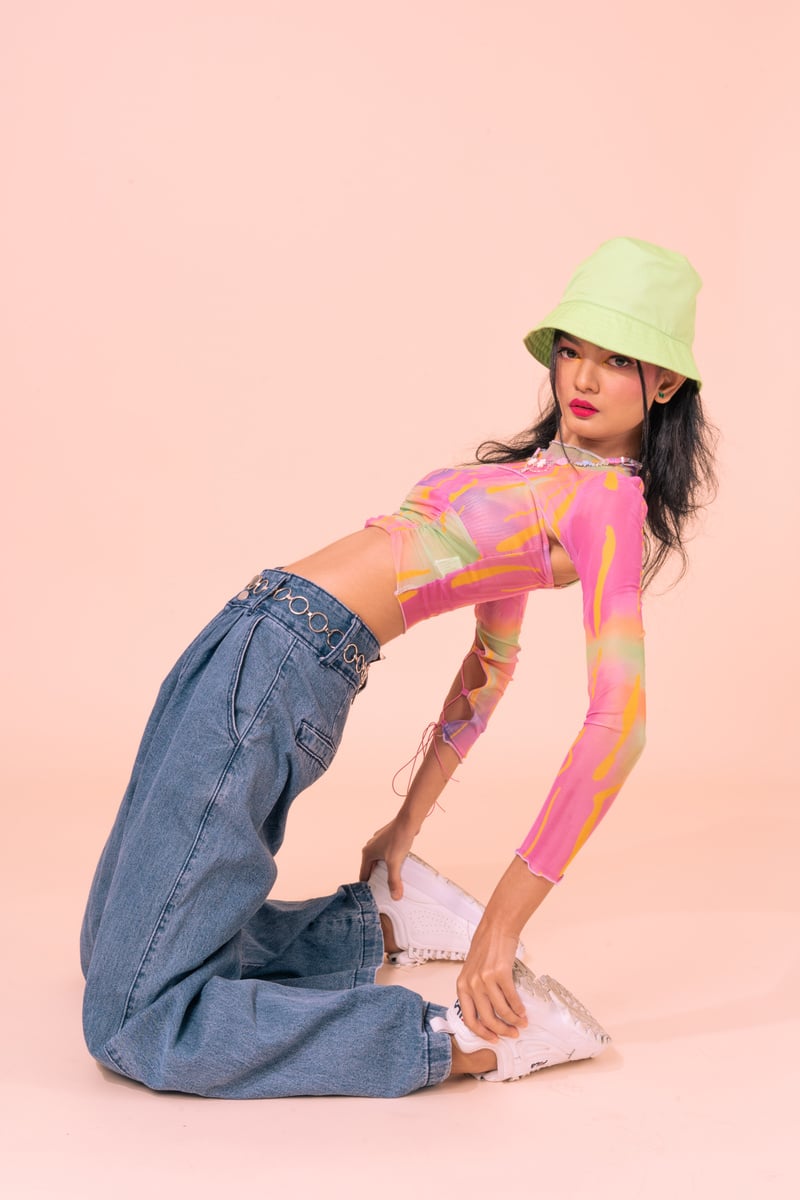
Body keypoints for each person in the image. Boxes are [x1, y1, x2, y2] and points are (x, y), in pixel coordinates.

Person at [80, 237, 717, 1098]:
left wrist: (504, 920)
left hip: (282, 666)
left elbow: (620, 721)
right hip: (247, 633)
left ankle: (466, 1040)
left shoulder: (606, 503)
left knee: (130, 1019)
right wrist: (405, 829)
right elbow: (489, 667)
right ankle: (372, 926)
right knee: (104, 947)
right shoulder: (542, 476)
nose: (584, 376)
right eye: (572, 349)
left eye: (617, 359)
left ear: (666, 383)